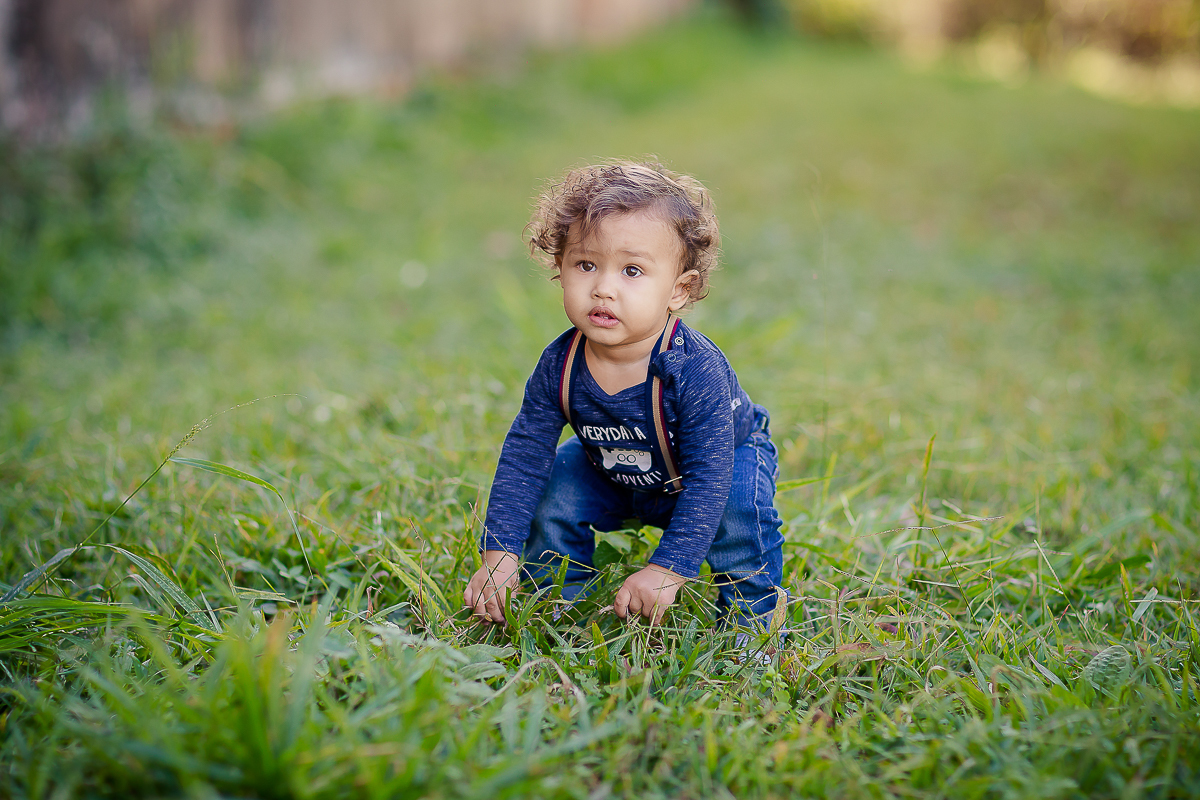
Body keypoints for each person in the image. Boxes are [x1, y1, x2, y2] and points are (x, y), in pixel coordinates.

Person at [463, 159, 785, 631]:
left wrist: (667, 569)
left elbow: (710, 478)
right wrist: (499, 551)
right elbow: (526, 452)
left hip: (712, 466)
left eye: (632, 270)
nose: (603, 288)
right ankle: (555, 606)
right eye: (586, 264)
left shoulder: (693, 368)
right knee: (557, 488)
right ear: (560, 268)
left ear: (679, 290)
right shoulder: (562, 363)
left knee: (739, 519)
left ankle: (751, 626)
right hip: (616, 465)